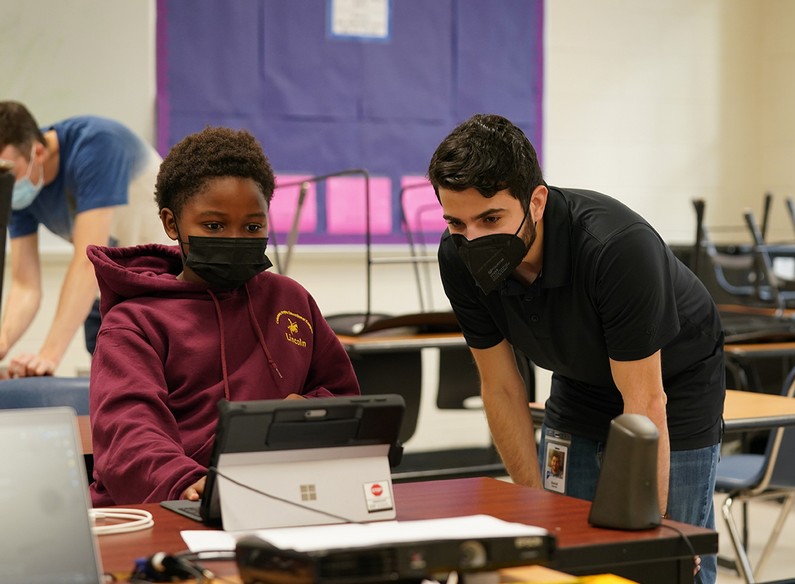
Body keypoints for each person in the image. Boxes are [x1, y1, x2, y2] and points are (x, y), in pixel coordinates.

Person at [428, 114, 725, 583]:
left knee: (664, 563)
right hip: (580, 381)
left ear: (536, 202)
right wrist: (532, 507)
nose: (474, 238)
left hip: (673, 387)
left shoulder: (616, 248)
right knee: (562, 550)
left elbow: (645, 401)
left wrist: (657, 535)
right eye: (456, 223)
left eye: (491, 219)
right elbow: (500, 386)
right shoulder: (457, 256)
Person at [87, 126, 360, 505]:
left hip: (273, 496)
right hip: (170, 504)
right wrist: (185, 482)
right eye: (213, 226)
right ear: (171, 224)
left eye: (253, 227)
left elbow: (344, 398)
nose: (235, 239)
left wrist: (311, 412)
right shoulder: (133, 323)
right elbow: (128, 434)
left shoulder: (290, 300)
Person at [0, 101, 169, 377]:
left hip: (162, 282)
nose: (5, 183)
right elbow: (25, 285)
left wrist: (48, 356)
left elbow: (86, 262)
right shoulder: (19, 185)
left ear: (38, 152)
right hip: (107, 287)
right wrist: (4, 341)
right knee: (109, 381)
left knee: (158, 382)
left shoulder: (96, 145)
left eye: (9, 172)